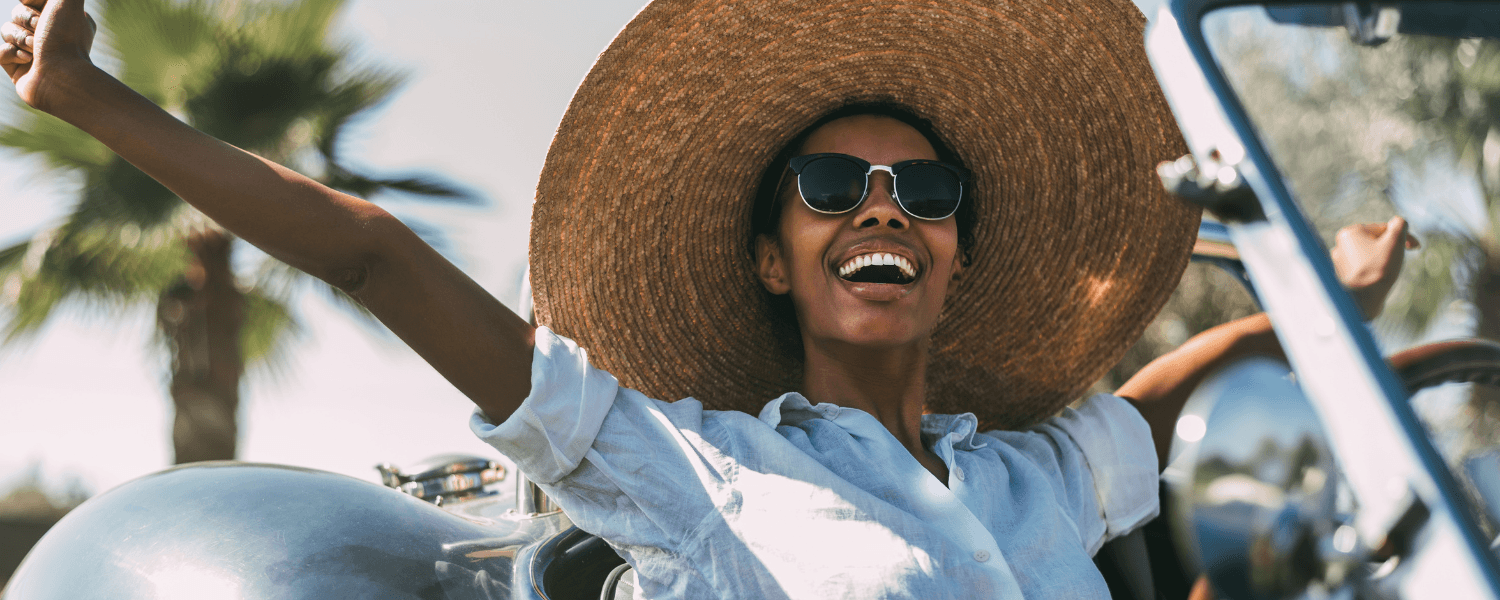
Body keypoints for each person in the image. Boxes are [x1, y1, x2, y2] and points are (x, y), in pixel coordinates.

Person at [1, 0, 1411, 597]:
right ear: (769, 255)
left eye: (925, 199)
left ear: (955, 257)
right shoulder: (696, 471)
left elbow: (1155, 411)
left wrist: (1317, 303)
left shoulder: (1038, 474)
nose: (883, 210)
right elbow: (374, 255)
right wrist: (91, 97)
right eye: (835, 187)